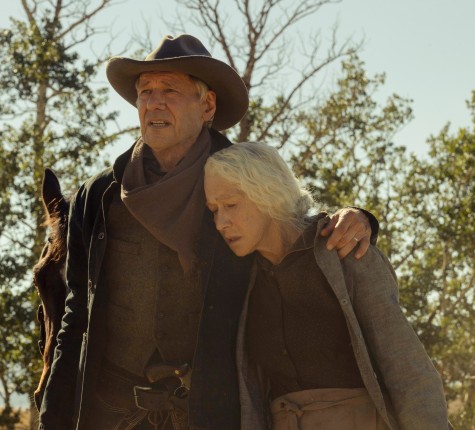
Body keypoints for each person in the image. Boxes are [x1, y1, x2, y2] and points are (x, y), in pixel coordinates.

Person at [38, 34, 377, 430]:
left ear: (208, 106)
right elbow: (76, 315)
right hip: (107, 412)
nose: (154, 102)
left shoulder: (239, 186)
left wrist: (361, 219)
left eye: (170, 90)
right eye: (145, 92)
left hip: (210, 411)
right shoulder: (99, 195)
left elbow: (292, 226)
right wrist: (52, 419)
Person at [203, 141, 449, 430]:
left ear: (268, 193)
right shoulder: (240, 277)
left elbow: (404, 366)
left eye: (231, 205)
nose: (220, 222)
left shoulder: (344, 250)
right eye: (214, 210)